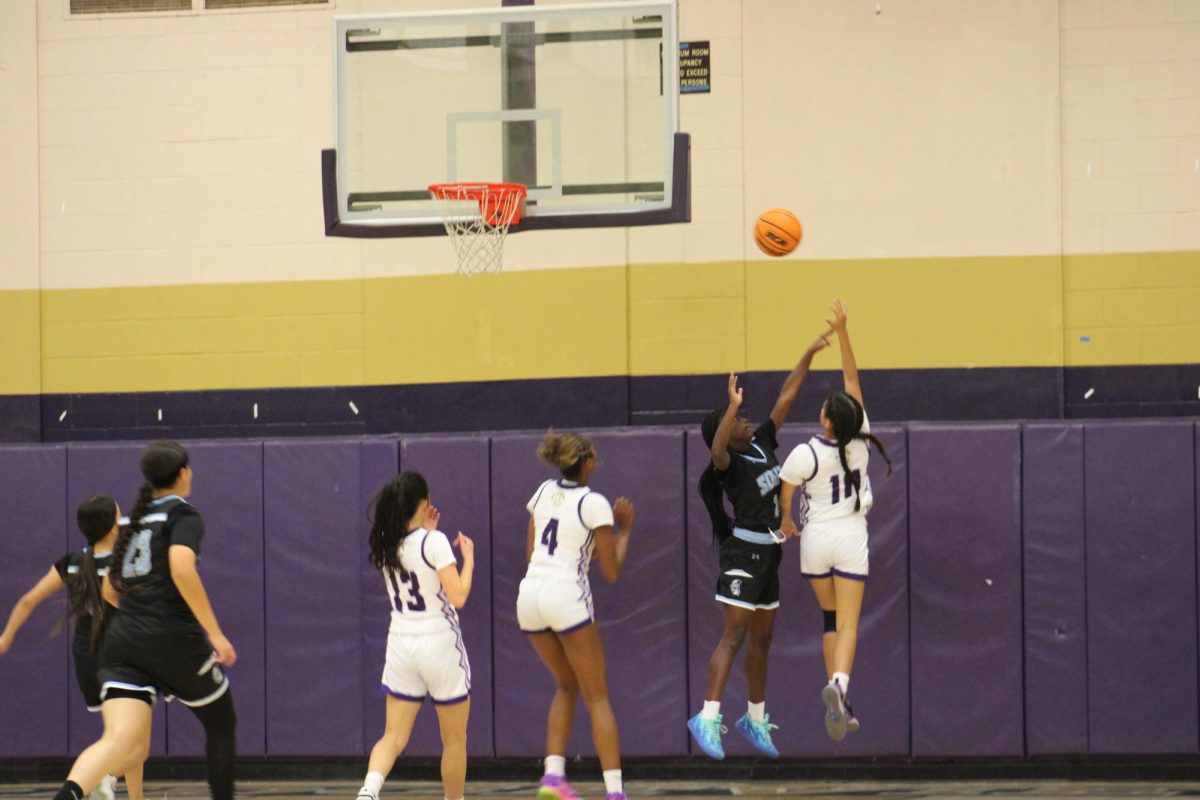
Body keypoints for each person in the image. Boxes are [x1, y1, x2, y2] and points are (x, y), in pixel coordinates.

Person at [52, 440, 238, 800]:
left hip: (122, 645)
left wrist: (136, 626)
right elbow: (182, 569)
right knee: (221, 724)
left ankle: (68, 796)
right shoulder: (181, 515)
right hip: (173, 640)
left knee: (117, 741)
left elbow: (110, 591)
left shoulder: (130, 522)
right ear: (183, 474)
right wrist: (215, 633)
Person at [687, 333, 829, 760]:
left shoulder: (763, 442)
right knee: (734, 634)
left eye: (744, 415)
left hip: (770, 554)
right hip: (743, 554)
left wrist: (806, 354)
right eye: (737, 420)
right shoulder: (726, 464)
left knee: (762, 641)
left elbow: (786, 396)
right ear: (726, 433)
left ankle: (754, 716)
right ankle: (708, 717)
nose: (746, 420)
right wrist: (729, 407)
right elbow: (715, 448)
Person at [779, 300, 891, 741]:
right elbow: (852, 379)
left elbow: (784, 498)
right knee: (848, 624)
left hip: (814, 544)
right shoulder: (861, 441)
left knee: (830, 618)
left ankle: (840, 704)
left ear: (826, 419)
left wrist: (787, 522)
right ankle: (839, 686)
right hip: (848, 538)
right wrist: (845, 332)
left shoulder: (804, 452)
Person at [0, 496, 144, 800]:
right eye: (119, 515)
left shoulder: (71, 563)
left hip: (88, 659)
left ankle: (119, 787)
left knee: (122, 738)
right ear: (111, 525)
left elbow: (29, 599)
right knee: (131, 741)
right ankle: (102, 776)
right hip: (123, 658)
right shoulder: (126, 564)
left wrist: (5, 637)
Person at [519, 431, 634, 800]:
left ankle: (553, 777)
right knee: (596, 695)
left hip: (530, 595)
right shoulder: (595, 503)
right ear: (587, 463)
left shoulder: (541, 492)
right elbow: (612, 571)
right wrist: (625, 530)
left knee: (566, 684)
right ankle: (615, 793)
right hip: (565, 595)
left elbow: (534, 553)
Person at [355, 471, 475, 800]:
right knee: (454, 739)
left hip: (401, 642)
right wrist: (469, 559)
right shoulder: (434, 542)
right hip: (438, 641)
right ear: (424, 504)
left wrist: (427, 534)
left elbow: (415, 566)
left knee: (392, 736)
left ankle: (368, 791)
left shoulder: (387, 545)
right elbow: (459, 596)